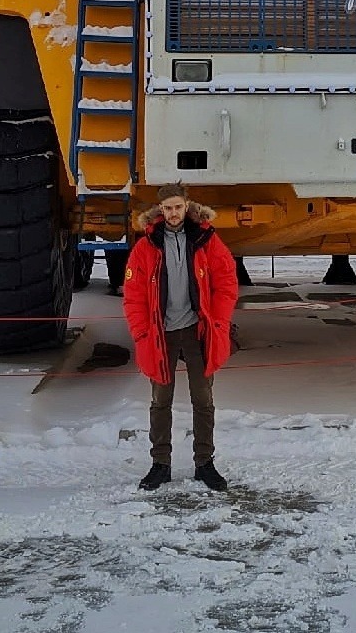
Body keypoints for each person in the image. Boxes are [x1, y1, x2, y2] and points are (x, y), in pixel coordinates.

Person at [122, 183, 239, 491]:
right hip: (161, 334)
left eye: (178, 206)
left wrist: (219, 322)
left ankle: (205, 463)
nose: (173, 213)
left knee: (203, 398)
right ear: (161, 210)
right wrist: (142, 332)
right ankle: (160, 464)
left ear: (186, 206)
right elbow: (133, 296)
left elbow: (226, 283)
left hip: (197, 331)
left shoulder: (207, 240)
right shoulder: (145, 246)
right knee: (161, 400)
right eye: (167, 208)